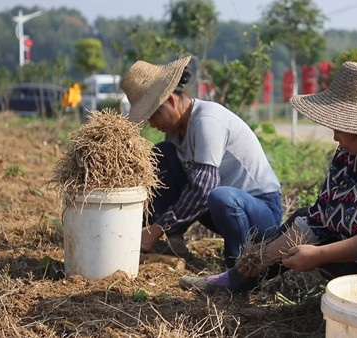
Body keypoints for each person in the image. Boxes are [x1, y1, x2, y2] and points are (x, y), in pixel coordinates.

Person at [180, 61, 357, 301]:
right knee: (302, 221)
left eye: (343, 129)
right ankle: (238, 280)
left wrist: (319, 256)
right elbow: (320, 219)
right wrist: (261, 257)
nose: (336, 137)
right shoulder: (348, 154)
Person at [120, 56, 283, 268]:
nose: (152, 124)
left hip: (258, 212)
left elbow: (203, 190)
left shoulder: (207, 121)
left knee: (219, 195)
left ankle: (238, 269)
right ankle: (174, 239)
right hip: (221, 208)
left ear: (170, 101)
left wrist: (155, 230)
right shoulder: (175, 132)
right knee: (161, 155)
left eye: (152, 116)